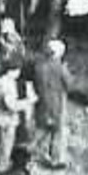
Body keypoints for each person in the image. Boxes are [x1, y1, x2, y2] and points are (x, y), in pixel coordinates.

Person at [0, 62, 36, 175]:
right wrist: (28, 102)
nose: (19, 73)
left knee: (0, 152)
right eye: (17, 70)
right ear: (10, 71)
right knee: (3, 152)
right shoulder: (5, 84)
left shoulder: (2, 81)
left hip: (3, 121)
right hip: (5, 123)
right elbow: (10, 105)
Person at [32, 38, 72, 168]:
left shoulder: (38, 65)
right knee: (58, 131)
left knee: (40, 129)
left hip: (41, 101)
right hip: (56, 103)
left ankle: (29, 150)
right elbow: (69, 84)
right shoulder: (60, 68)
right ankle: (55, 159)